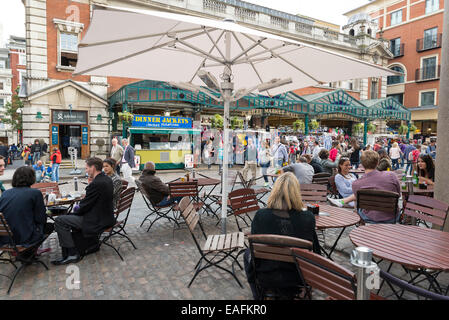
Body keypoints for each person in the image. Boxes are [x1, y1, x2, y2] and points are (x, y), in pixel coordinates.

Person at [243, 172, 320, 300]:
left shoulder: (261, 215)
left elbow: (254, 248)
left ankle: (258, 295)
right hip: (299, 276)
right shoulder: (308, 218)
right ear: (297, 192)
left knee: (247, 253)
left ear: (275, 190)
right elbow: (315, 252)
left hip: (266, 275)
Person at [52, 157, 114, 265]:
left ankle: (72, 253)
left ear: (93, 168)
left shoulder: (96, 183)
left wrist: (73, 211)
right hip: (105, 217)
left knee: (60, 220)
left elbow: (83, 207)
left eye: (86, 168)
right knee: (67, 217)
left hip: (96, 220)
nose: (86, 171)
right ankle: (74, 248)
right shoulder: (107, 179)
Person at [331, 151, 401, 223]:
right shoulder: (391, 175)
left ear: (362, 165)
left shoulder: (357, 184)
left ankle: (343, 203)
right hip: (392, 217)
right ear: (377, 163)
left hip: (369, 217)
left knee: (358, 199)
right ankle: (342, 201)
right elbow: (399, 195)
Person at [0, 166, 54, 248]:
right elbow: (41, 218)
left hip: (5, 238)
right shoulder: (35, 193)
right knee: (50, 226)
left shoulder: (5, 193)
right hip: (24, 237)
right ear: (32, 178)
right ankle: (29, 252)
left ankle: (25, 254)